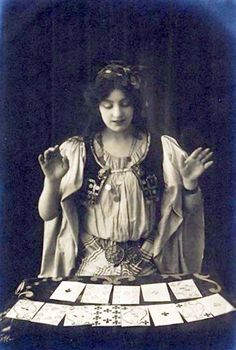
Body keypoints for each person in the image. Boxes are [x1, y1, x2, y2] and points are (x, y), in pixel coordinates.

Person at [38, 63, 213, 277]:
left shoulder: (163, 150)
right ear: (97, 106)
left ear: (136, 106)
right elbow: (48, 214)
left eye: (125, 104)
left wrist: (190, 185)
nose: (117, 113)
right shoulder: (77, 151)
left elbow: (191, 212)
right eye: (108, 105)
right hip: (90, 267)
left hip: (147, 265)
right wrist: (52, 181)